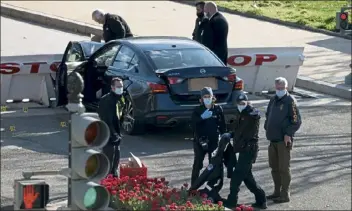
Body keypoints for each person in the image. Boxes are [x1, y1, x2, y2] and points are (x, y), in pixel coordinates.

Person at [223, 94, 267, 209]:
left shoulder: (251, 113)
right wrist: (230, 134)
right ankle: (261, 199)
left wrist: (253, 111)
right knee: (247, 178)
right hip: (242, 149)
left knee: (237, 176)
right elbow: (238, 130)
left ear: (247, 103)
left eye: (243, 103)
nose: (241, 105)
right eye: (239, 104)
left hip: (249, 150)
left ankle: (232, 200)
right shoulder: (240, 113)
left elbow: (256, 115)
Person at [264, 77, 302, 203]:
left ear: (286, 88)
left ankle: (285, 194)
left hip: (283, 140)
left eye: (282, 88)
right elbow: (268, 114)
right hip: (272, 139)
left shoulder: (290, 101)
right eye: (277, 88)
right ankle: (276, 191)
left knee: (283, 168)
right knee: (274, 167)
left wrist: (288, 134)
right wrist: (266, 126)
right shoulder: (273, 99)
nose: (279, 90)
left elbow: (296, 121)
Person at [191, 87, 226, 188]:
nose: (207, 99)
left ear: (213, 97)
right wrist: (201, 118)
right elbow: (193, 125)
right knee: (197, 164)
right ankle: (193, 187)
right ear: (201, 99)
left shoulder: (218, 109)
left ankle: (211, 187)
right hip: (200, 141)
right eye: (205, 97)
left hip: (214, 141)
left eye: (209, 96)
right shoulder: (197, 110)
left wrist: (224, 138)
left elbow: (222, 125)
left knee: (214, 164)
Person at [97, 77, 125, 177]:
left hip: (115, 135)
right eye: (118, 86)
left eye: (121, 86)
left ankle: (114, 178)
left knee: (116, 159)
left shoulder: (119, 98)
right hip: (108, 135)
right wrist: (113, 135)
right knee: (108, 160)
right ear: (112, 87)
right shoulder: (107, 100)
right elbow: (106, 120)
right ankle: (107, 181)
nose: (120, 88)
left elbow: (118, 116)